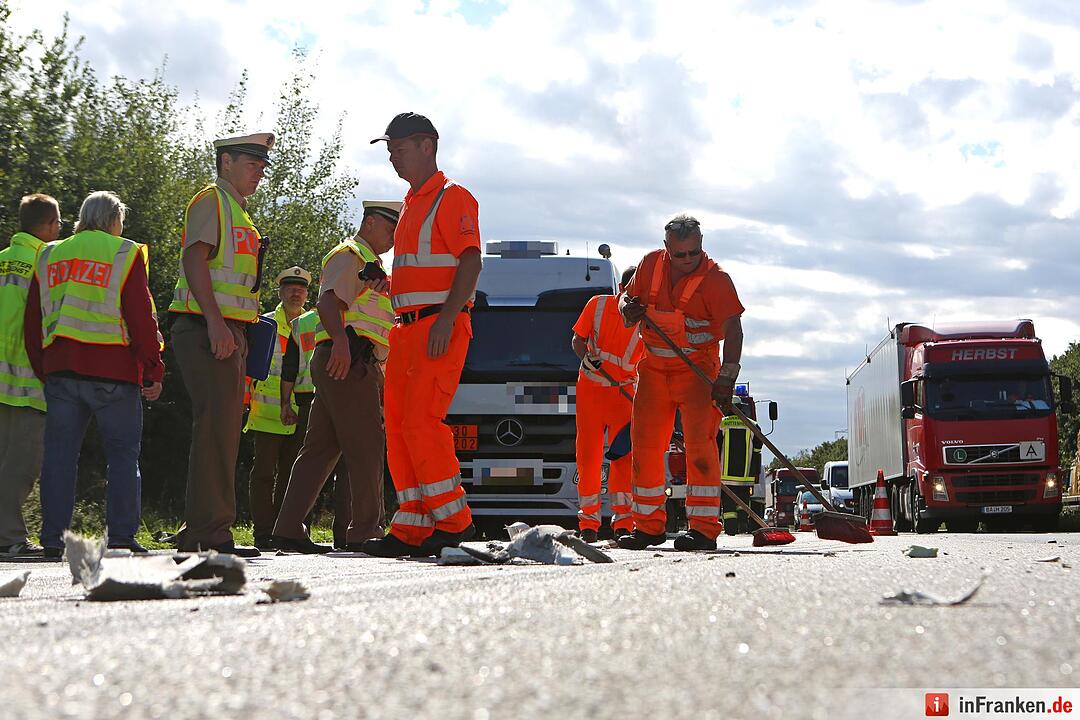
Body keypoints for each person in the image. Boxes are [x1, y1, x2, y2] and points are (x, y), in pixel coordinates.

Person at [363, 112, 481, 558]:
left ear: (427, 145)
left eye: (399, 147)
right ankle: (412, 525)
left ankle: (454, 523)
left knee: (420, 422)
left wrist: (448, 319)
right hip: (408, 329)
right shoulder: (411, 203)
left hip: (438, 326)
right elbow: (425, 274)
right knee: (397, 425)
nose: (392, 156)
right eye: (389, 149)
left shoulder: (454, 198)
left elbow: (471, 262)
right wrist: (387, 286)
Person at [24, 191, 164, 558]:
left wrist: (45, 368)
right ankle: (120, 536)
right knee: (121, 456)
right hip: (114, 373)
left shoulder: (49, 253)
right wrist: (153, 368)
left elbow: (32, 321)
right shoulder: (124, 252)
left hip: (61, 371)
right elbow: (140, 318)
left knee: (58, 458)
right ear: (114, 219)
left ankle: (53, 540)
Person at [271, 201, 399, 554]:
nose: (394, 236)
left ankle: (288, 527)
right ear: (370, 223)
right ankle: (366, 530)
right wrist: (342, 343)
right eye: (390, 229)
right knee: (367, 444)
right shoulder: (351, 254)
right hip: (350, 359)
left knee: (320, 449)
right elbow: (328, 303)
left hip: (345, 358)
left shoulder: (369, 264)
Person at [169, 132, 273, 557]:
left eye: (263, 166)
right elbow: (194, 259)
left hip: (229, 331)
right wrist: (216, 324)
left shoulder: (237, 211)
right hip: (210, 329)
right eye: (253, 164)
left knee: (221, 431)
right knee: (217, 430)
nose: (260, 173)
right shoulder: (212, 200)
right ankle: (209, 534)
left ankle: (205, 529)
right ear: (225, 161)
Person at [617, 214, 745, 551]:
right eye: (680, 255)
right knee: (644, 445)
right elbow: (624, 300)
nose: (688, 260)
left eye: (694, 253)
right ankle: (647, 526)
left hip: (697, 371)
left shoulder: (717, 280)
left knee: (700, 447)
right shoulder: (648, 265)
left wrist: (726, 378)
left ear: (701, 247)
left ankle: (703, 530)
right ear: (666, 249)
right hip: (655, 371)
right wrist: (626, 308)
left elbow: (733, 330)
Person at [0, 194, 61, 557]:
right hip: (29, 380)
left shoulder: (2, 260)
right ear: (51, 225)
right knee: (22, 465)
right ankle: (9, 538)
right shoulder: (45, 261)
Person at [571, 265, 642, 542]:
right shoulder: (597, 305)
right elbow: (578, 339)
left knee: (623, 459)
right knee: (587, 458)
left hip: (624, 395)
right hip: (591, 390)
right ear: (622, 288)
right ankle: (588, 523)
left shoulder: (645, 320)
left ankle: (623, 522)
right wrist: (585, 356)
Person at [244, 265, 312, 549]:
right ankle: (263, 532)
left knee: (293, 475)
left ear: (307, 294)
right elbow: (249, 370)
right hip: (266, 413)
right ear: (281, 292)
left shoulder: (313, 325)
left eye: (300, 288)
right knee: (263, 474)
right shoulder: (264, 325)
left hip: (302, 412)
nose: (295, 293)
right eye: (290, 288)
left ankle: (285, 530)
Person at [279, 304, 353, 549]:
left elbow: (289, 367)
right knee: (349, 469)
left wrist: (285, 402)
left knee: (310, 466)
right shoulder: (359, 312)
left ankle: (298, 529)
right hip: (345, 392)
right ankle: (347, 534)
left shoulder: (301, 323)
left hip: (309, 400)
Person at [717, 399, 762, 535]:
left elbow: (716, 447)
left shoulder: (721, 423)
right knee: (743, 503)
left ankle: (731, 530)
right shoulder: (752, 424)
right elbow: (758, 448)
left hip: (725, 475)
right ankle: (743, 526)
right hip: (745, 476)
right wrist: (755, 471)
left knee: (729, 505)